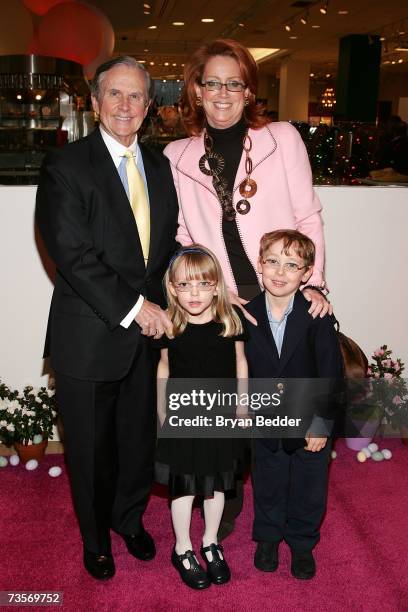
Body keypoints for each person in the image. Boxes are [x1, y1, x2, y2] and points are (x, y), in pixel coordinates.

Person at [164, 38, 331, 539]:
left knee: (289, 400)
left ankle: (295, 514)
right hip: (227, 303)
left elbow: (307, 215)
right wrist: (211, 292)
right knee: (229, 404)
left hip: (282, 292)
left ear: (248, 89)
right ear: (195, 89)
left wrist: (313, 283)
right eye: (211, 82)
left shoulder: (283, 138)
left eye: (232, 82)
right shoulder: (177, 153)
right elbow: (183, 236)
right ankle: (229, 495)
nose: (221, 93)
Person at [35, 56, 178, 580]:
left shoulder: (160, 165)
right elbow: (72, 254)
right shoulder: (66, 166)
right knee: (92, 452)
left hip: (148, 335)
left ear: (148, 106)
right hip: (90, 335)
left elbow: (162, 248)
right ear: (94, 102)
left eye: (136, 95)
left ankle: (129, 519)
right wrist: (138, 308)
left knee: (138, 441)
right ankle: (96, 541)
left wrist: (191, 287)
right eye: (114, 94)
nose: (125, 105)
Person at [244, 230, 343, 580]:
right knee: (268, 481)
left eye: (291, 265)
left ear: (306, 273)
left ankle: (302, 543)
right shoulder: (246, 315)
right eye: (272, 261)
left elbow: (331, 373)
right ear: (260, 264)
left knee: (309, 484)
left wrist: (322, 422)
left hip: (309, 421)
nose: (280, 272)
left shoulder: (318, 316)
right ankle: (268, 538)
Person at [155, 245, 248, 590]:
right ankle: (182, 547)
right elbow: (163, 369)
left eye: (203, 285)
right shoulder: (170, 327)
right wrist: (163, 412)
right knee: (184, 487)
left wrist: (242, 406)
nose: (194, 294)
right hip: (183, 416)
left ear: (216, 286)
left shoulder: (230, 322)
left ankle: (211, 541)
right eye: (184, 286)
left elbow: (240, 363)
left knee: (217, 484)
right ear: (173, 288)